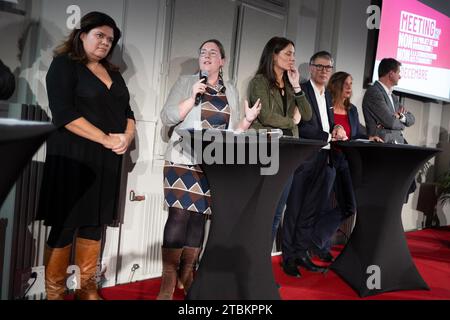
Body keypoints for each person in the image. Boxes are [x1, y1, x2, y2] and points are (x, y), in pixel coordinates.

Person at [36, 12, 135, 300]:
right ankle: (54, 292)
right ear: (82, 34)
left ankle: (86, 287)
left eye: (110, 39)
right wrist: (106, 138)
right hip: (72, 156)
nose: (105, 42)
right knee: (65, 223)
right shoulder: (64, 65)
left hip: (106, 161)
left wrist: (127, 137)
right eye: (99, 36)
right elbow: (64, 115)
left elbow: (128, 113)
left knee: (94, 223)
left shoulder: (114, 73)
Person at [159, 39, 261, 300]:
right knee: (179, 216)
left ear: (222, 61)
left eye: (212, 53)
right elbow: (168, 117)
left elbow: (233, 133)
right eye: (202, 52)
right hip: (182, 158)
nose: (206, 56)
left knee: (197, 220)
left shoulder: (231, 90)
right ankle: (168, 282)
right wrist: (192, 96)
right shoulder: (186, 81)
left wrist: (247, 120)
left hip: (213, 163)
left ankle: (188, 275)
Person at [281, 51, 347, 277]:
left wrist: (336, 129)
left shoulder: (328, 95)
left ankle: (301, 253)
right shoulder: (301, 90)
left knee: (310, 211)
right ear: (310, 68)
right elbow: (302, 128)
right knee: (294, 210)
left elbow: (326, 124)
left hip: (325, 158)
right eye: (320, 66)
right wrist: (328, 136)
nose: (324, 71)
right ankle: (288, 257)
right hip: (303, 159)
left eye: (328, 67)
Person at [307, 71, 383, 263]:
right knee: (322, 204)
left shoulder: (353, 110)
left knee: (349, 206)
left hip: (346, 162)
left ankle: (315, 239)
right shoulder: (327, 105)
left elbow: (355, 134)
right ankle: (322, 246)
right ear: (337, 85)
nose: (350, 87)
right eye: (346, 84)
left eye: (351, 83)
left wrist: (369, 138)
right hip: (327, 159)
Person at [248, 36, 312, 243]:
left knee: (277, 213)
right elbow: (265, 116)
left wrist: (297, 87)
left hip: (287, 153)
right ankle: (251, 260)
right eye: (287, 53)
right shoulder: (259, 82)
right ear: (273, 55)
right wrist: (292, 123)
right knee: (263, 212)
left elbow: (308, 115)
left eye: (293, 53)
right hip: (267, 150)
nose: (292, 58)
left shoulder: (291, 84)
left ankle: (262, 265)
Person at [362, 58, 415, 144]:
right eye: (398, 73)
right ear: (390, 74)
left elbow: (412, 119)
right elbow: (390, 122)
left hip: (395, 145)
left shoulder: (393, 97)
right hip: (382, 146)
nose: (400, 76)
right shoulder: (374, 92)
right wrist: (402, 124)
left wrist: (400, 117)